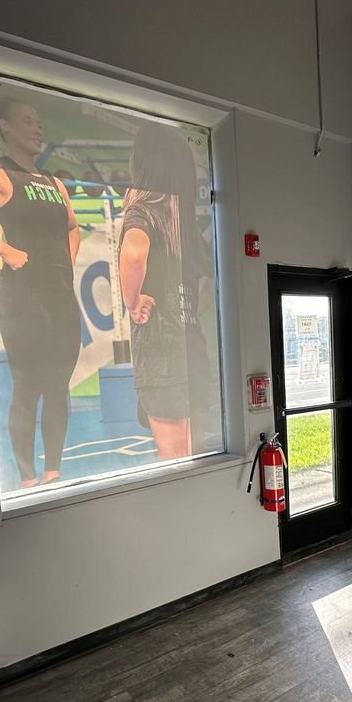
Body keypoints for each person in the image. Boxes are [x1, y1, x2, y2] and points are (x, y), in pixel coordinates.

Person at [0, 95, 81, 488]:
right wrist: (5, 250)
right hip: (21, 295)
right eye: (27, 121)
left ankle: (53, 472)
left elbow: (72, 227)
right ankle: (27, 478)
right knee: (28, 383)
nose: (37, 129)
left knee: (57, 385)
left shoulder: (53, 183)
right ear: (5, 126)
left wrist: (64, 268)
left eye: (39, 122)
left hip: (59, 293)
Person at [117, 123, 213, 460]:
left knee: (174, 463)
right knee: (196, 455)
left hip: (162, 353)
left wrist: (133, 301)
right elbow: (206, 286)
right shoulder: (181, 220)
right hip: (191, 345)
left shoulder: (144, 210)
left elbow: (133, 253)